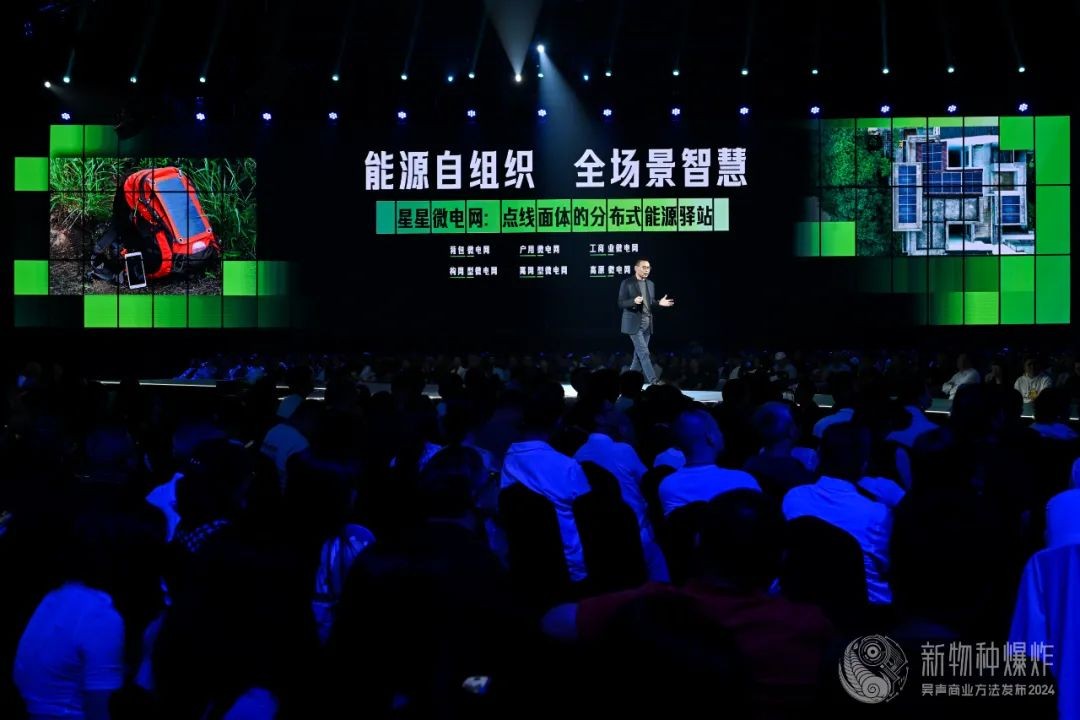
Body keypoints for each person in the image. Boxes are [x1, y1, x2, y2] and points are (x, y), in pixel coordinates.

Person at [617, 258, 674, 386]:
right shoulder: (627, 283)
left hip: (648, 322)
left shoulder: (650, 284)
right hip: (633, 323)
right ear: (636, 268)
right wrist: (633, 301)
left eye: (648, 268)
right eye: (644, 267)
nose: (646, 270)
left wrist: (659, 303)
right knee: (644, 353)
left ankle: (628, 383)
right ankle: (654, 381)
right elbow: (621, 303)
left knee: (638, 357)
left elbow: (650, 303)